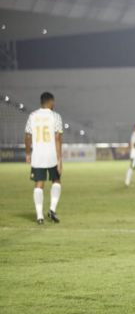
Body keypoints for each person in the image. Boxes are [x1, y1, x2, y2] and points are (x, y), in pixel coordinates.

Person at [24, 92, 63, 224]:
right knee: (56, 180)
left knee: (39, 184)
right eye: (54, 102)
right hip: (51, 155)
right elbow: (58, 139)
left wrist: (28, 153)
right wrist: (59, 160)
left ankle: (40, 216)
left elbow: (28, 136)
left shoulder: (32, 116)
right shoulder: (55, 116)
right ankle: (52, 209)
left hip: (38, 155)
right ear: (51, 102)